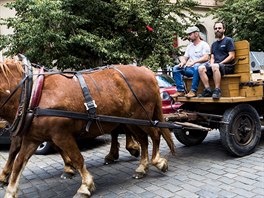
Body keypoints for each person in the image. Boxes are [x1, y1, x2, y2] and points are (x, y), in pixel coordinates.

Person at [198, 21, 235, 99]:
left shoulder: (228, 40)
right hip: (216, 66)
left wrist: (220, 63)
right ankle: (208, 90)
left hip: (227, 66)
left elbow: (232, 56)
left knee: (215, 66)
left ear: (224, 29)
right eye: (215, 28)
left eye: (219, 28)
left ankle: (217, 90)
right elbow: (212, 57)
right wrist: (211, 64)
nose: (217, 30)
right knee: (201, 68)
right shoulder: (214, 44)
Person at [171, 26, 210, 98]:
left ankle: (193, 91)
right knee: (176, 68)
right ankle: (180, 91)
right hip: (191, 69)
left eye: (190, 34)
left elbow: (206, 58)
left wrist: (194, 62)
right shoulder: (190, 46)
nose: (189, 36)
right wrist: (182, 62)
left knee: (197, 67)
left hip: (202, 69)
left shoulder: (204, 44)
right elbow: (185, 58)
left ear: (196, 34)